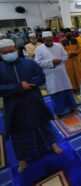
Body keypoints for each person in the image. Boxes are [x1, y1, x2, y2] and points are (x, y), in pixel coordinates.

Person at [0, 39, 62, 173]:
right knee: (19, 134)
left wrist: (29, 84)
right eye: (5, 52)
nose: (9, 54)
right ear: (0, 53)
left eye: (11, 51)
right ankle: (22, 160)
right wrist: (18, 87)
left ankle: (52, 144)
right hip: (14, 107)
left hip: (34, 101)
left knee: (43, 126)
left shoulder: (29, 63)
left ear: (16, 49)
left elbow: (41, 77)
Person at [35, 31, 78, 117]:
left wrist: (59, 60)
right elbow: (38, 62)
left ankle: (72, 108)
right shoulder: (39, 49)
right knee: (56, 92)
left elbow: (65, 56)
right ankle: (59, 112)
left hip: (62, 72)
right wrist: (51, 62)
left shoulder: (58, 45)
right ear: (43, 40)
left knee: (67, 90)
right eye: (47, 41)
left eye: (51, 40)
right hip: (50, 74)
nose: (49, 42)